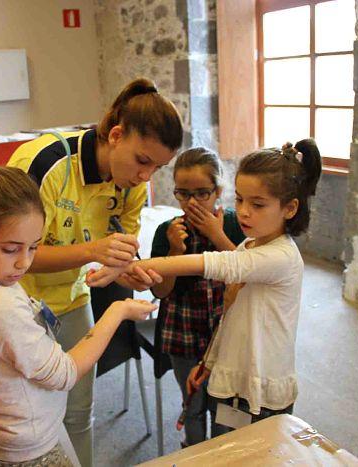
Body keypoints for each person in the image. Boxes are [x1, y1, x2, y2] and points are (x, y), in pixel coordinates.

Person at [88, 139, 322, 434]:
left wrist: (132, 266)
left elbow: (210, 264)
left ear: (290, 209)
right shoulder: (250, 244)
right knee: (219, 450)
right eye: (240, 200)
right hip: (230, 381)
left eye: (258, 204)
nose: (245, 211)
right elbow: (230, 320)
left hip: (259, 393)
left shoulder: (280, 256)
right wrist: (208, 363)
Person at [7, 77, 182, 466]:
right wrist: (92, 251)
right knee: (23, 422)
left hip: (70, 299)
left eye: (158, 167)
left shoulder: (133, 184)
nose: (146, 177)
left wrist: (123, 270)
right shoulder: (45, 162)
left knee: (78, 413)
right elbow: (10, 259)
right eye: (142, 161)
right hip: (15, 304)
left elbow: (113, 256)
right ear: (116, 135)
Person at [0, 167, 157, 466]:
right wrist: (118, 310)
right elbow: (65, 373)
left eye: (33, 247)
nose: (24, 262)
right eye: (10, 249)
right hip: (26, 447)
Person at [149, 148, 244, 446]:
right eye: (183, 193)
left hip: (225, 332)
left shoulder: (234, 225)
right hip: (184, 333)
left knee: (223, 405)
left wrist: (216, 235)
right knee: (192, 404)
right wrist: (175, 251)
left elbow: (249, 274)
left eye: (202, 193)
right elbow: (160, 291)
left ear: (218, 191)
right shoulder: (167, 231)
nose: (192, 202)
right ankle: (193, 454)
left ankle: (220, 457)